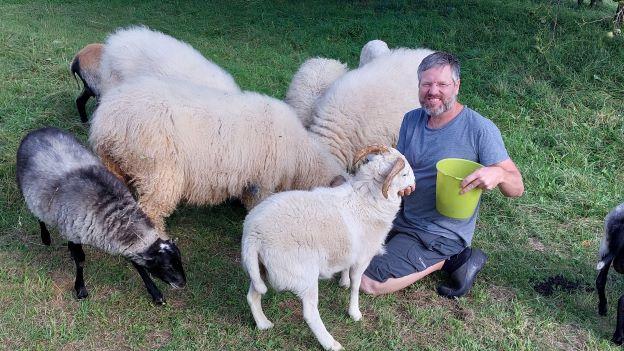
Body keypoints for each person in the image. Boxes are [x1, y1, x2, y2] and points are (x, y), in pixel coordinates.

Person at [360, 52, 524, 298]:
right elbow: (402, 167)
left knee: (368, 282)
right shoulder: (411, 119)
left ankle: (451, 258)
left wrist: (499, 173)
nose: (432, 91)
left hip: (438, 232)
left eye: (442, 84)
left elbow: (517, 187)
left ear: (456, 86)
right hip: (400, 216)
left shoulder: (479, 129)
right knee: (345, 257)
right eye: (426, 84)